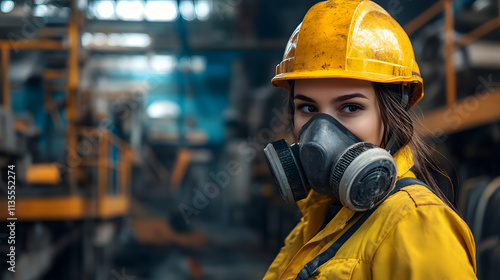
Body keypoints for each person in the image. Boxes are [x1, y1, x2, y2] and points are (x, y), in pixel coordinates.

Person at [262, 0, 477, 279]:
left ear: (391, 113)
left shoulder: (416, 222)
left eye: (351, 107)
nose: (320, 134)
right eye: (308, 108)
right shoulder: (318, 218)